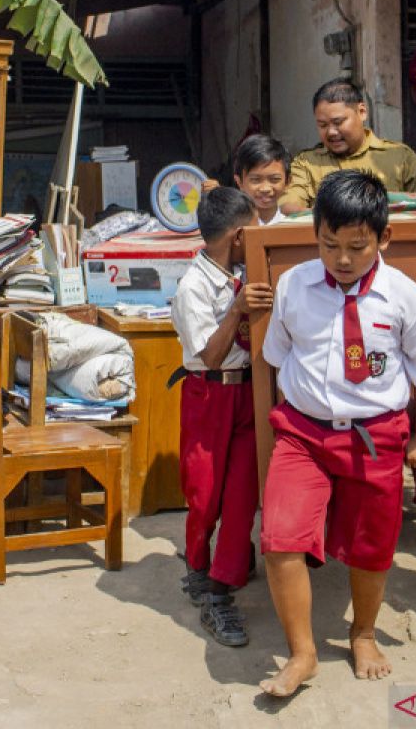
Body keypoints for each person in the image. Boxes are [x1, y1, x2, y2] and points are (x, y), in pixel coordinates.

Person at [258, 170, 416, 696]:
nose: (342, 259)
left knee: (371, 547)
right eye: (329, 244)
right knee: (280, 539)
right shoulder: (293, 285)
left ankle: (363, 633)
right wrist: (289, 424)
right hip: (302, 436)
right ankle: (303, 655)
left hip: (376, 437)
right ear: (315, 233)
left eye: (356, 247)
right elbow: (276, 358)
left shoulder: (408, 298)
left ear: (383, 239)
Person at [169, 186, 274, 648]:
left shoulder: (244, 273)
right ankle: (197, 565)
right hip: (210, 396)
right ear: (236, 236)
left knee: (240, 496)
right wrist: (237, 309)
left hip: (249, 394)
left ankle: (221, 588)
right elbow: (211, 356)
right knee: (206, 494)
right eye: (251, 232)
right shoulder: (194, 286)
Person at [280, 79, 416, 213]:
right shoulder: (306, 164)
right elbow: (289, 206)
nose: (331, 132)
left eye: (338, 122)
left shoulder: (399, 157)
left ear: (362, 112)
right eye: (322, 125)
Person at [232, 134, 291, 226]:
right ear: (239, 182)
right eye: (255, 180)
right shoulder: (232, 230)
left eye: (274, 179)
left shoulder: (293, 227)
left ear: (287, 181)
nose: (265, 189)